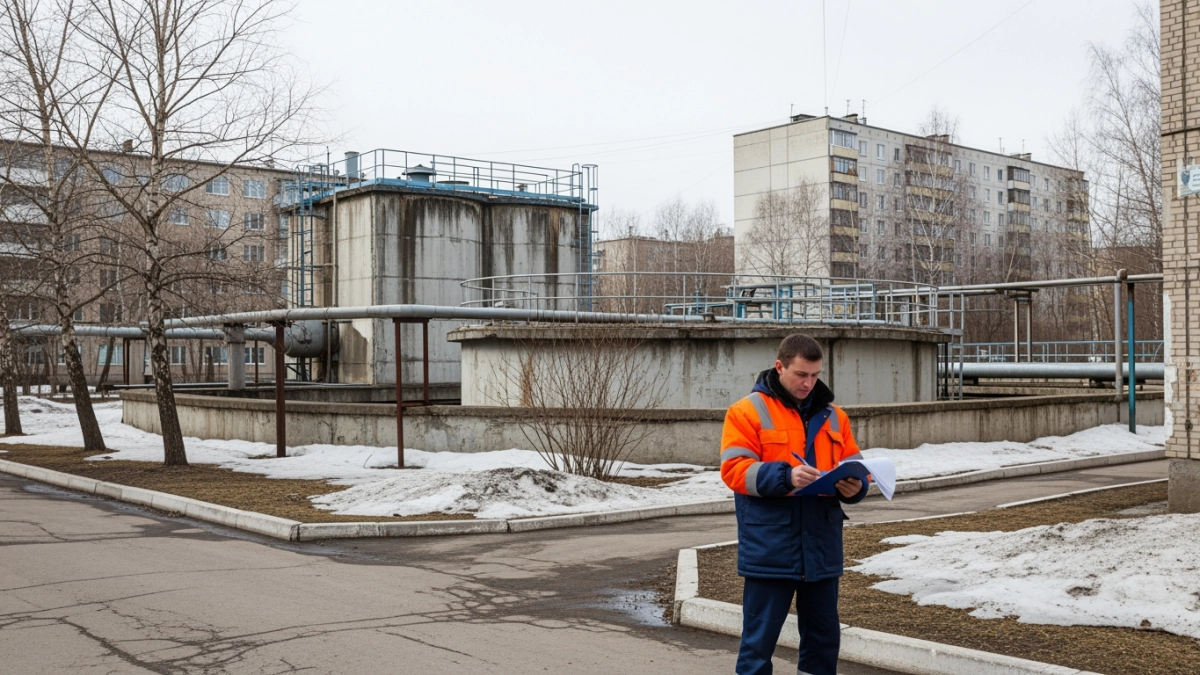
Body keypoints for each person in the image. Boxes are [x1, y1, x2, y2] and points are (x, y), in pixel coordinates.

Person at [719, 333, 868, 675]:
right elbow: (734, 470)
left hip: (821, 546)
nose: (809, 383)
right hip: (771, 547)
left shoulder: (835, 416)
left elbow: (857, 469)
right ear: (779, 366)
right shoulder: (745, 412)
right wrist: (786, 476)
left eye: (815, 375)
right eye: (801, 374)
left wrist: (854, 487)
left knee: (823, 643)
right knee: (758, 646)